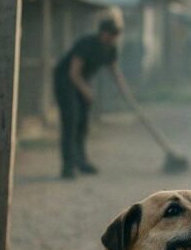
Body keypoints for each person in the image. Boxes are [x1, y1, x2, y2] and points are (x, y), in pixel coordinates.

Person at [52, 10, 141, 179]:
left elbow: (115, 72)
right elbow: (73, 73)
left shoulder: (110, 49)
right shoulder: (87, 43)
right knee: (71, 121)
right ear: (103, 33)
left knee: (83, 122)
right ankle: (68, 166)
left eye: (115, 35)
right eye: (111, 34)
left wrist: (126, 94)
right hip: (65, 82)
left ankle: (81, 161)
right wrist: (86, 91)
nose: (113, 38)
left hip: (82, 82)